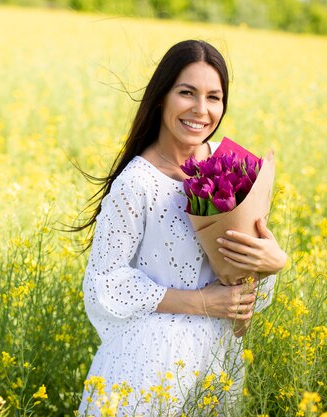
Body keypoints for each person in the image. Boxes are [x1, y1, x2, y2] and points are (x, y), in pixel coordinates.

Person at [76, 40, 287, 417]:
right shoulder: (138, 182)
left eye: (214, 97)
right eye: (186, 93)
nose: (201, 110)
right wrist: (203, 302)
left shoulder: (233, 163)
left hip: (216, 365)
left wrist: (271, 264)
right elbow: (103, 283)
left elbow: (247, 291)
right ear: (161, 97)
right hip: (145, 366)